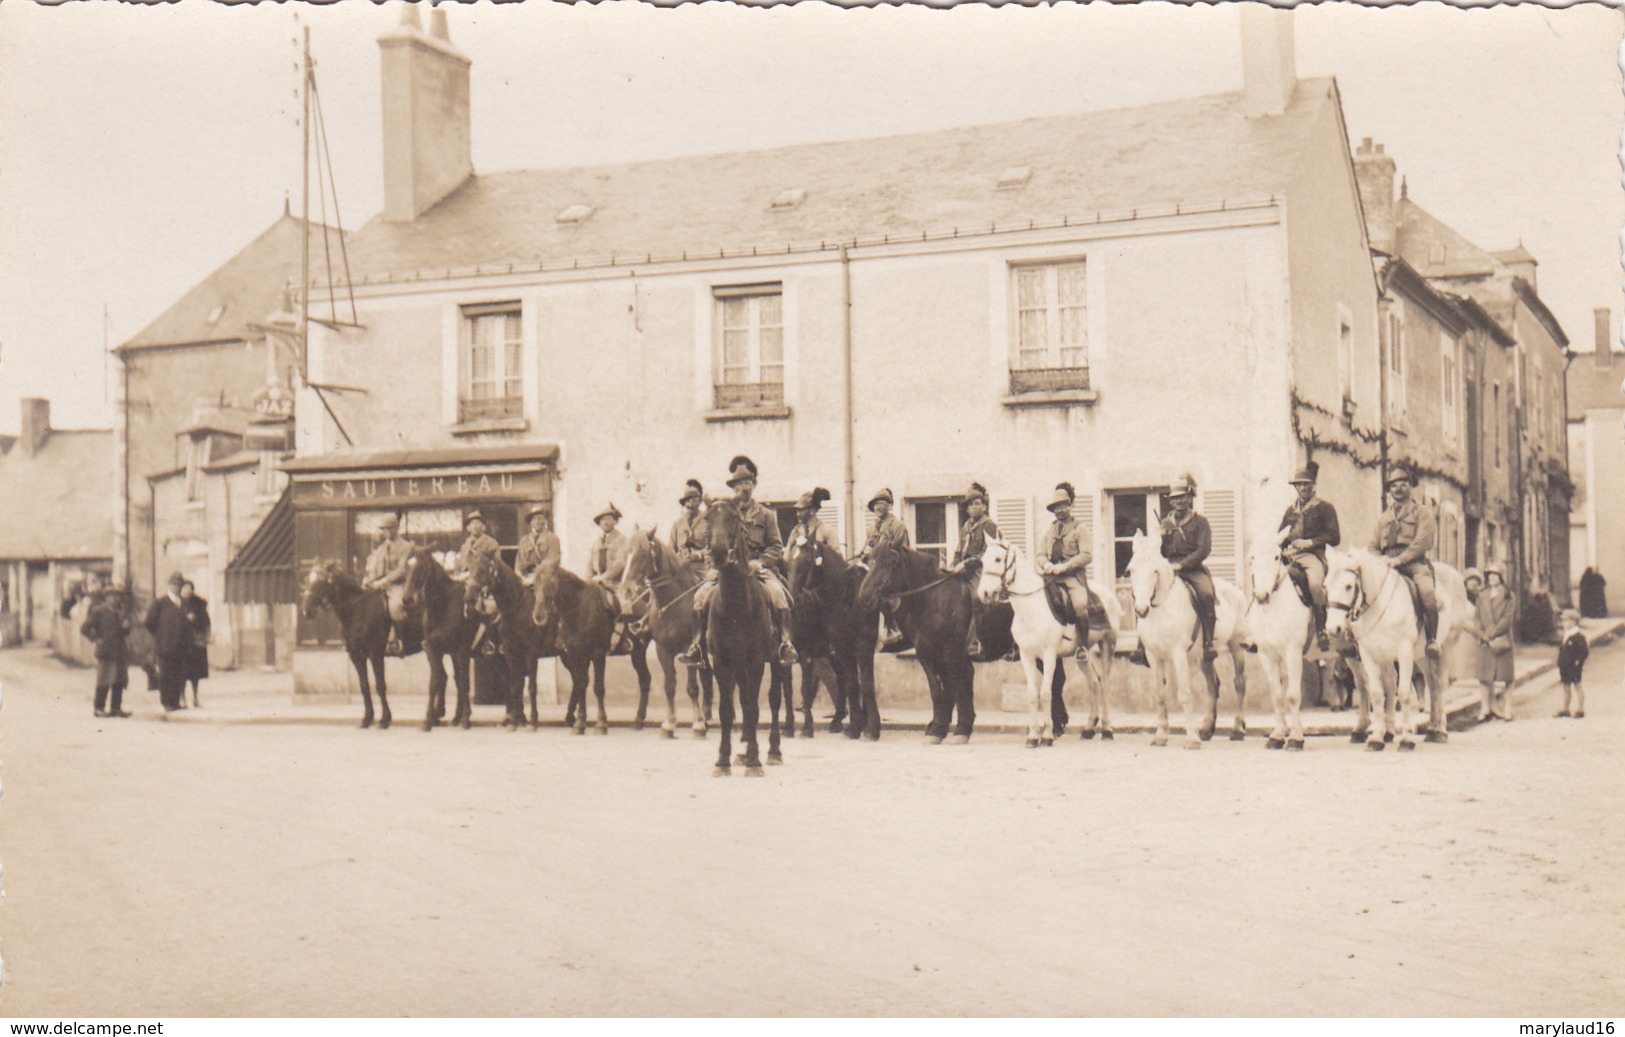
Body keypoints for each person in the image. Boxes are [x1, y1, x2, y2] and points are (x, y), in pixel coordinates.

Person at [677, 456, 798, 667]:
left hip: (756, 568)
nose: (744, 488)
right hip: (724, 571)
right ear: (734, 488)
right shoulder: (723, 512)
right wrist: (711, 568)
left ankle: (785, 644)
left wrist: (760, 562)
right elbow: (710, 543)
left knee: (779, 596)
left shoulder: (766, 515)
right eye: (739, 484)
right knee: (699, 598)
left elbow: (776, 545)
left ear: (754, 485)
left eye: (748, 483)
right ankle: (697, 647)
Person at [1370, 466, 1442, 658]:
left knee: (1427, 594)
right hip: (1386, 564)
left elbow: (1422, 542)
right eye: (1394, 486)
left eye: (1403, 484)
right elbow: (1372, 545)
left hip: (1414, 563)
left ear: (1411, 486)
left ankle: (1431, 640)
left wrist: (1400, 560)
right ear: (1389, 490)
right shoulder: (1384, 517)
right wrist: (1380, 560)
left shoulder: (1421, 513)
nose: (1398, 489)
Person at [1276, 462, 1341, 653]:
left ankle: (1321, 629)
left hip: (1313, 556)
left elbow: (1335, 537)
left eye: (1307, 484)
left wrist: (1311, 542)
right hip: (1290, 556)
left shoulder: (1324, 508)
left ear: (1314, 485)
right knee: (1272, 579)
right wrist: (1279, 546)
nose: (1303, 488)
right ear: (1295, 487)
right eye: (1299, 485)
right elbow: (1281, 534)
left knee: (1314, 584)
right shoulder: (1290, 511)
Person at [1159, 475, 1218, 661]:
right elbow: (1160, 551)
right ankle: (1142, 645)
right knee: (1146, 593)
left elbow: (1203, 550)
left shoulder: (1201, 522)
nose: (1179, 501)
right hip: (1168, 568)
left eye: (1182, 497)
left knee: (1206, 594)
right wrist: (1162, 537)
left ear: (1190, 497)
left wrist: (1182, 565)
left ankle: (1208, 642)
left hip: (1192, 568)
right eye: (1175, 498)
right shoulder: (1165, 522)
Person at [1036, 485, 1096, 661]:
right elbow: (1040, 554)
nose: (1060, 510)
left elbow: (1087, 555)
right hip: (1051, 576)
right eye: (1056, 507)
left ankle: (1083, 647)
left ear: (1071, 506)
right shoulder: (1050, 531)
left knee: (1080, 606)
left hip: (1072, 577)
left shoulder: (1080, 529)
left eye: (1063, 505)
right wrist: (1045, 564)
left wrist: (1066, 566)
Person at [946, 482, 1000, 658]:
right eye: (969, 505)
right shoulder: (965, 528)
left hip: (982, 571)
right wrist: (953, 566)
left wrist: (968, 564)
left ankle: (976, 642)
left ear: (984, 506)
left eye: (977, 503)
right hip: (962, 571)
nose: (973, 507)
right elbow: (958, 551)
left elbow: (990, 552)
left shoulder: (989, 526)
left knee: (978, 598)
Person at [855, 487, 911, 649]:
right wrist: (862, 553)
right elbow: (868, 547)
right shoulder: (872, 528)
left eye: (883, 503)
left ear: (890, 506)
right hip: (875, 568)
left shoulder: (897, 526)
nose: (879, 507)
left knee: (878, 589)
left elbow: (903, 552)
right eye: (876, 504)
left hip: (893, 569)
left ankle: (891, 626)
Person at [363, 512, 418, 656]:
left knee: (395, 607)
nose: (385, 532)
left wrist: (384, 581)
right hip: (380, 584)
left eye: (388, 528)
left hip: (398, 585)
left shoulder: (405, 546)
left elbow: (401, 571)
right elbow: (376, 567)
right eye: (383, 529)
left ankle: (399, 641)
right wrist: (369, 579)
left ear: (395, 529)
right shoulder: (382, 547)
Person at [1472, 562, 1516, 722]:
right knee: (1485, 676)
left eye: (1495, 575)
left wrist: (1492, 633)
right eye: (1489, 574)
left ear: (1502, 577)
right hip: (1485, 641)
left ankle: (1508, 708)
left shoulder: (1508, 596)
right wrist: (1481, 634)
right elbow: (1476, 618)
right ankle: (1486, 707)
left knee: (1506, 676)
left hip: (1502, 639)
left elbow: (1507, 619)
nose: (1492, 578)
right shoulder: (1482, 595)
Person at [587, 503, 635, 652]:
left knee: (624, 605)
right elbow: (590, 564)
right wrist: (588, 580)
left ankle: (625, 638)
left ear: (615, 521)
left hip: (616, 583)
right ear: (599, 523)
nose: (606, 522)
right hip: (597, 583)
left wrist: (604, 577)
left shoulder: (622, 539)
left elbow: (620, 563)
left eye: (609, 519)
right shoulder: (596, 542)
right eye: (603, 520)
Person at [82, 579, 132, 718]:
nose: (116, 598)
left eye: (118, 596)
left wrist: (126, 628)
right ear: (107, 597)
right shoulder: (100, 611)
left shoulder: (120, 612)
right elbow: (85, 628)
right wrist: (96, 639)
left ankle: (116, 708)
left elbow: (122, 632)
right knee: (104, 679)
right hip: (105, 651)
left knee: (119, 680)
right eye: (113, 596)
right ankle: (99, 707)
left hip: (119, 650)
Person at [144, 572, 192, 714]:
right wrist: (161, 635)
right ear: (169, 585)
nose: (177, 587)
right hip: (165, 646)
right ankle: (166, 702)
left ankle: (175, 702)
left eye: (180, 585)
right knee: (165, 674)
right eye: (175, 584)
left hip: (181, 646)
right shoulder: (160, 603)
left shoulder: (183, 603)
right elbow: (149, 622)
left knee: (178, 674)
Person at [179, 580, 210, 708]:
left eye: (189, 588)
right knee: (181, 673)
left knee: (195, 674)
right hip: (182, 643)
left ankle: (195, 698)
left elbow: (206, 623)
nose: (187, 591)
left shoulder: (199, 605)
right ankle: (182, 699)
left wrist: (204, 637)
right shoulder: (178, 604)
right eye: (185, 588)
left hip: (196, 643)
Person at [1555, 607, 1589, 719]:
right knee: (1566, 686)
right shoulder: (1566, 635)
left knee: (1577, 685)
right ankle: (1566, 708)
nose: (1564, 623)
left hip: (1574, 666)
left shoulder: (1578, 637)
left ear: (1574, 622)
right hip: (1565, 666)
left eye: (1566, 621)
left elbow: (1584, 652)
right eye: (1563, 621)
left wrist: (1578, 662)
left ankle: (1580, 708)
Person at [515, 505, 561, 587]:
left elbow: (552, 562)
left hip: (546, 580)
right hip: (526, 580)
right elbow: (518, 565)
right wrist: (522, 579)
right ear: (531, 523)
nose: (537, 521)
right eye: (534, 519)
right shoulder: (524, 541)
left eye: (540, 518)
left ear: (545, 521)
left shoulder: (553, 539)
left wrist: (535, 578)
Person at [671, 480, 710, 570]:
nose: (690, 504)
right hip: (681, 568)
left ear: (700, 501)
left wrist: (698, 555)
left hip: (702, 569)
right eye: (687, 500)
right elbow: (671, 550)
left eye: (694, 500)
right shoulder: (678, 524)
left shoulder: (708, 520)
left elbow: (713, 549)